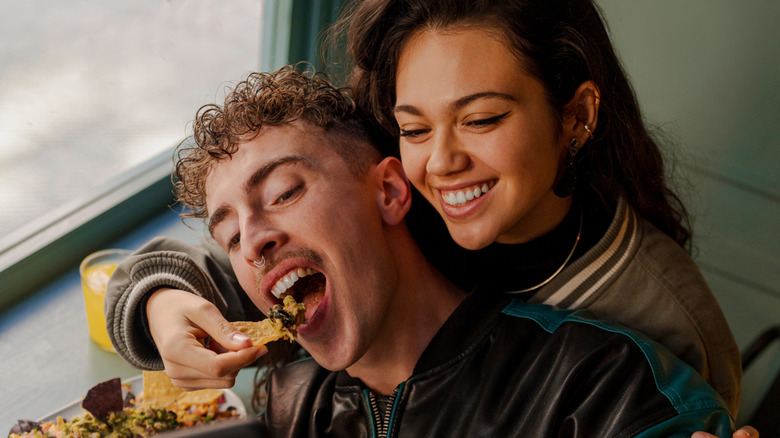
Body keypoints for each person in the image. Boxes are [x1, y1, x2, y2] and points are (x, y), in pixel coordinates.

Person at [113, 67, 733, 436]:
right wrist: (162, 305)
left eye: (283, 192)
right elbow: (141, 276)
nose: (253, 241)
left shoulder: (597, 389)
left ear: (388, 190)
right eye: (229, 234)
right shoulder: (289, 403)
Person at [334, 0, 745, 418]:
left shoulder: (671, 327)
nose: (440, 163)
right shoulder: (386, 237)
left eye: (481, 120)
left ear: (576, 116)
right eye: (415, 129)